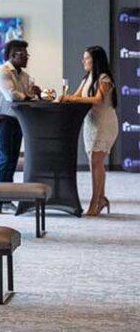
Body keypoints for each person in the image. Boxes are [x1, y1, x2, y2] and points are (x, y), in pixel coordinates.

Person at [59, 46, 118, 216]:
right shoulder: (87, 79)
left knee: (95, 161)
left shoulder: (104, 78)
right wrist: (66, 98)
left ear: (95, 60)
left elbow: (98, 99)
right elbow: (77, 96)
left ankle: (95, 202)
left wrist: (69, 97)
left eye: (86, 58)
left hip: (104, 124)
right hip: (90, 124)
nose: (83, 61)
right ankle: (101, 199)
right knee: (96, 162)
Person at [0, 39, 41, 214]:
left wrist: (33, 93)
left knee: (11, 161)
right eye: (23, 54)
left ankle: (6, 199)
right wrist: (28, 95)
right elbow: (13, 96)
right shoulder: (1, 72)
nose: (27, 57)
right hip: (2, 121)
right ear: (12, 55)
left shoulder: (25, 76)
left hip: (17, 121)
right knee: (3, 159)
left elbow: (28, 94)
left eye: (27, 54)